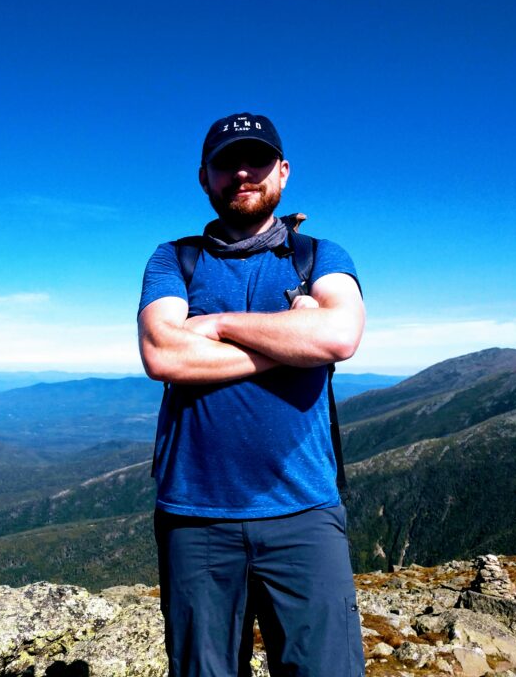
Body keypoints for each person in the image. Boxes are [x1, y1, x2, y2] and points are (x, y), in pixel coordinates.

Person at [137, 112, 367, 677]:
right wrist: (290, 342)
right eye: (225, 163)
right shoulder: (175, 259)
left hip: (305, 509)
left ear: (283, 172)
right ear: (204, 178)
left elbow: (338, 336)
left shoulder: (318, 256)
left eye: (258, 160)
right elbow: (163, 354)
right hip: (195, 515)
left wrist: (214, 325)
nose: (242, 172)